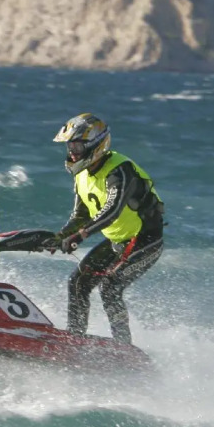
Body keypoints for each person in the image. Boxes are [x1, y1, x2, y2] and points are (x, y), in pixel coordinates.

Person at [50, 112, 164, 345]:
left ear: (96, 145)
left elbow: (112, 210)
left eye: (77, 146)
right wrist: (60, 236)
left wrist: (80, 236)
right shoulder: (82, 174)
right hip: (116, 241)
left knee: (110, 287)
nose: (72, 152)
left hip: (144, 240)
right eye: (69, 146)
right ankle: (75, 339)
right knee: (78, 282)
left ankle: (123, 347)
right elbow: (80, 216)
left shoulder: (120, 170)